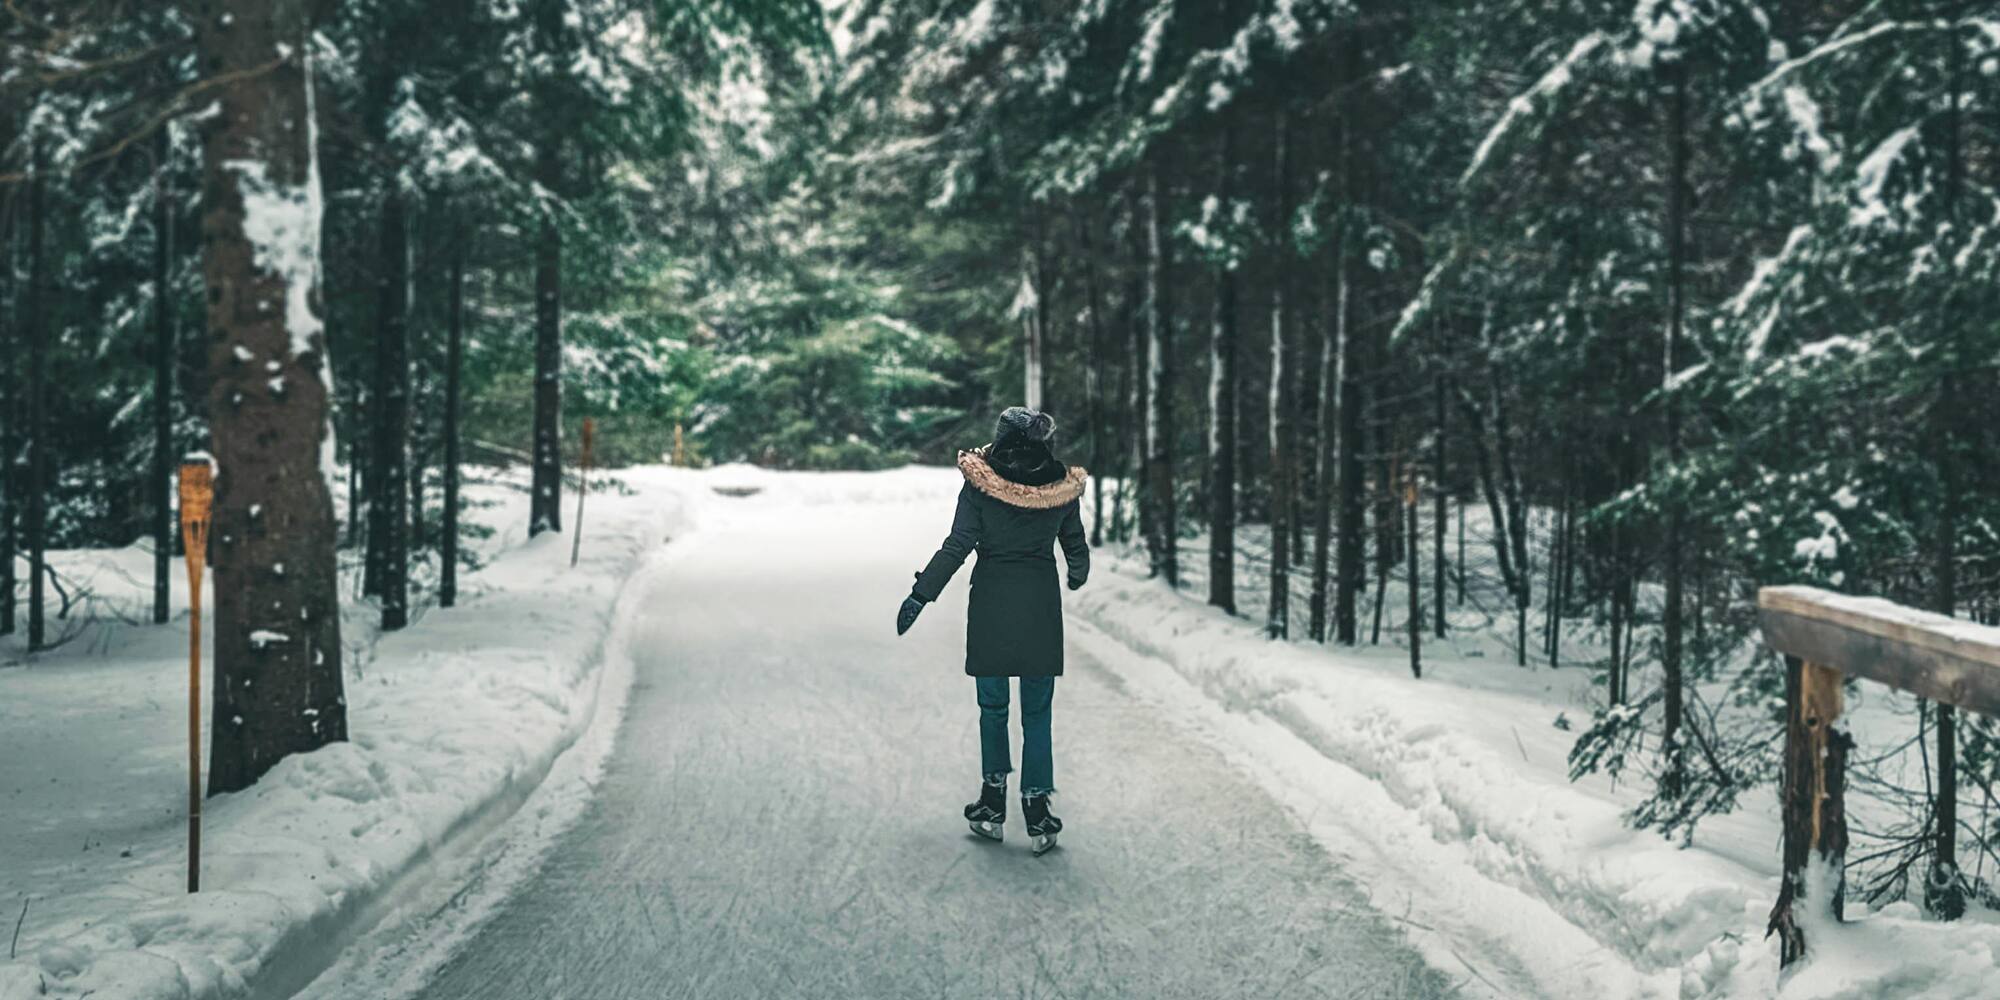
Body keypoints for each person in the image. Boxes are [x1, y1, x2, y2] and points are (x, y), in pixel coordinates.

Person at [896, 406, 1089, 855]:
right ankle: (1037, 810)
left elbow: (958, 544)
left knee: (993, 708)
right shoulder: (1060, 487)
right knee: (1037, 712)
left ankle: (992, 801)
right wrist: (1078, 573)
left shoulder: (980, 485)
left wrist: (921, 594)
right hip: (1040, 606)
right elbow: (1074, 543)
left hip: (991, 604)